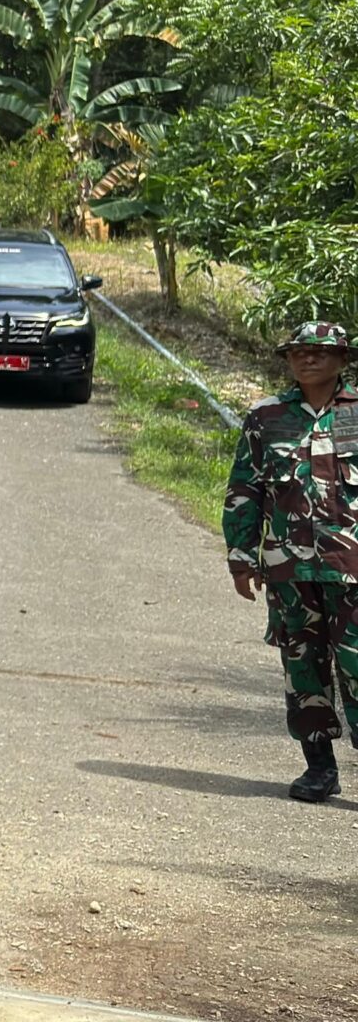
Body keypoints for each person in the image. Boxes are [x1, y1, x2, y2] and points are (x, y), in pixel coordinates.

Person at [225, 320, 358, 803]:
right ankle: (319, 768)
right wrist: (241, 559)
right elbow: (246, 490)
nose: (307, 359)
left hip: (353, 570)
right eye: (297, 352)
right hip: (290, 572)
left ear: (342, 358)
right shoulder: (266, 417)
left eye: (319, 351)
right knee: (302, 669)